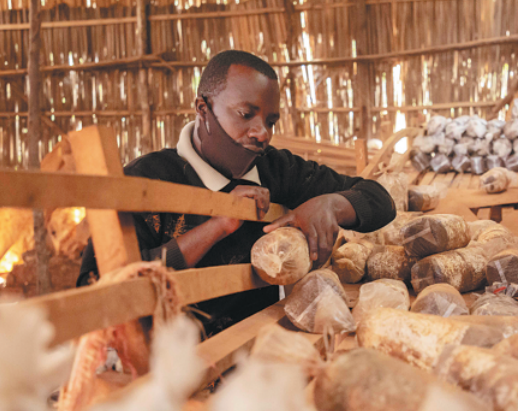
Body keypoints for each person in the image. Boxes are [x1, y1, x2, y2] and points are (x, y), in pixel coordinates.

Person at [78, 50, 396, 334]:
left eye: (270, 121)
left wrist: (332, 204)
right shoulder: (147, 180)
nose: (262, 134)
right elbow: (94, 289)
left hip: (254, 355)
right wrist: (216, 227)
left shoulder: (275, 169)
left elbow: (380, 200)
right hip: (170, 371)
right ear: (203, 109)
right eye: (246, 115)